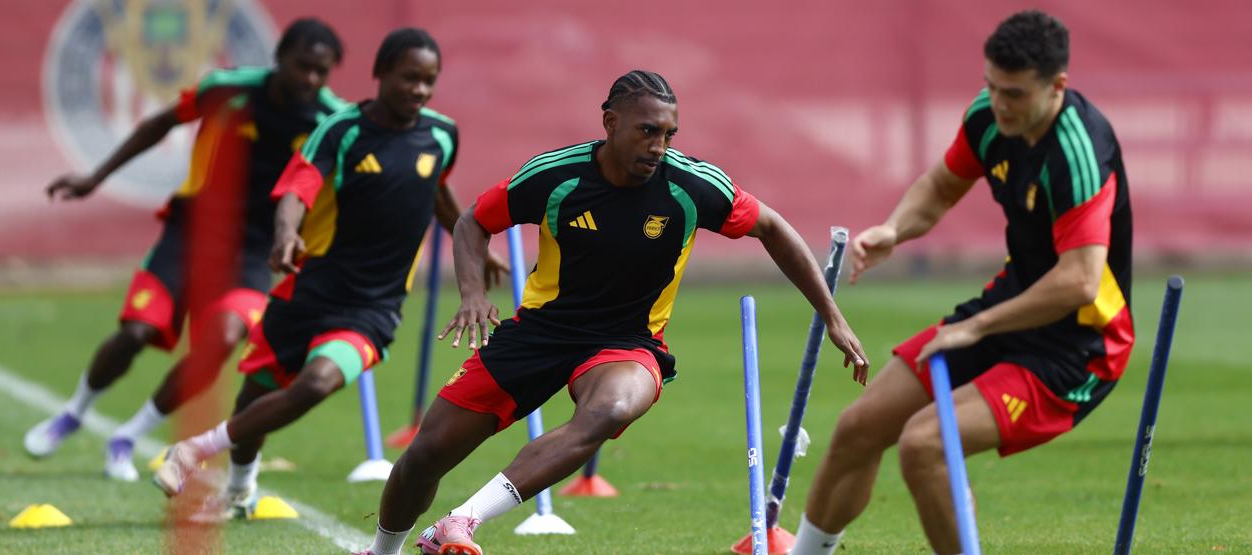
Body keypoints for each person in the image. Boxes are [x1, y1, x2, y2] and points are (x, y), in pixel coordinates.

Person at [356, 69, 871, 555]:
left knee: (610, 411)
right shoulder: (555, 176)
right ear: (611, 123)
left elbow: (773, 228)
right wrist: (472, 293)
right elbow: (473, 222)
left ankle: (463, 520)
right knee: (428, 452)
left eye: (669, 133)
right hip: (541, 331)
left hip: (629, 343)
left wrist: (832, 315)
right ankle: (383, 549)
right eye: (648, 131)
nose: (659, 146)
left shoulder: (692, 186)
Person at [792, 10, 1134, 555]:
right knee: (860, 427)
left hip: (1080, 345)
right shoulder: (989, 117)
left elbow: (1079, 282)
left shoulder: (1077, 151)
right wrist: (894, 230)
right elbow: (941, 185)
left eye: (1015, 94)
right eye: (991, 87)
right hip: (1012, 306)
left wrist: (975, 327)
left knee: (924, 445)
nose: (999, 104)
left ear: (1057, 87)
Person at [150, 27, 506, 518]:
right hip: (309, 292)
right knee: (255, 397)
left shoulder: (441, 134)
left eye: (429, 81)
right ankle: (238, 489)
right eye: (409, 78)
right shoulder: (341, 130)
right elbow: (298, 189)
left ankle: (192, 450)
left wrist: (469, 241)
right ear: (380, 73)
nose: (420, 91)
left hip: (373, 309)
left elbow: (436, 192)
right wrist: (285, 234)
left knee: (316, 384)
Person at [25, 18, 347, 482]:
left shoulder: (329, 122)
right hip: (190, 233)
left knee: (224, 337)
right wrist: (95, 177)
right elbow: (159, 124)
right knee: (136, 333)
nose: (311, 80)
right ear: (280, 58)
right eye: (303, 67)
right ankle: (74, 411)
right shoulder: (226, 89)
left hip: (255, 252)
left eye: (321, 72)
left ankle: (129, 435)